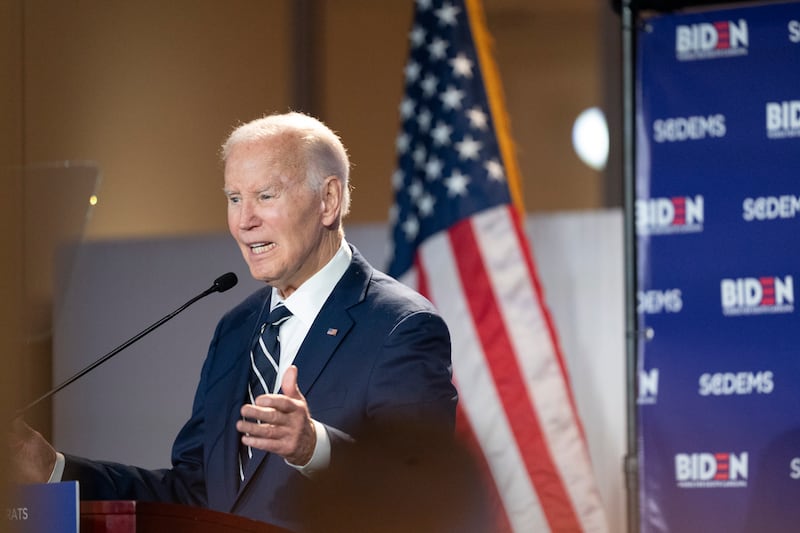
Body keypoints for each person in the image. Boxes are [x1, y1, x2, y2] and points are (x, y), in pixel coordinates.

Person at [10, 111, 458, 531]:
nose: (245, 220)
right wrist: (54, 469)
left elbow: (421, 490)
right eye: (234, 198)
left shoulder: (400, 326)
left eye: (266, 196)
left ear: (329, 199)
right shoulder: (237, 328)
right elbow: (193, 492)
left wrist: (314, 446)